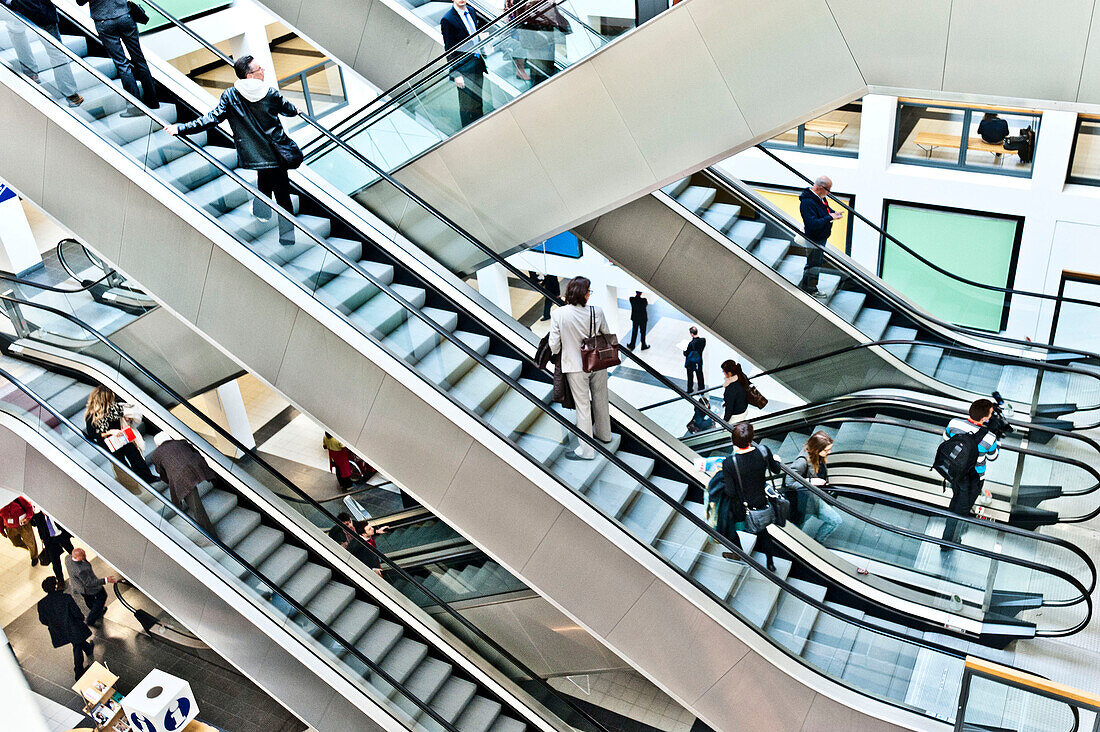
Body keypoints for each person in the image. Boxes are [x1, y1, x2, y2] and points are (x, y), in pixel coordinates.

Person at [166, 55, 301, 247]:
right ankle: (287, 238)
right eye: (259, 69)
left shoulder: (230, 95)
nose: (263, 71)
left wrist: (181, 128)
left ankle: (262, 211)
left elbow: (211, 119)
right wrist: (296, 110)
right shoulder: (270, 93)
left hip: (255, 153)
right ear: (250, 75)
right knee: (282, 194)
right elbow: (287, 109)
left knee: (264, 175)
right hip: (276, 151)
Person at [549, 276, 612, 460]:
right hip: (597, 363)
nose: (589, 295)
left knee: (583, 407)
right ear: (583, 294)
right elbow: (607, 335)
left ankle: (586, 451)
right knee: (601, 399)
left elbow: (554, 345)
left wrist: (563, 349)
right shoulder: (596, 312)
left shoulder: (559, 314)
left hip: (575, 367)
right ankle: (604, 435)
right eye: (588, 292)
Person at [76, 0, 158, 116]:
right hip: (124, 15)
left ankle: (135, 107)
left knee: (122, 64)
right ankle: (153, 101)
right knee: (139, 60)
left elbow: (80, 2)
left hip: (104, 20)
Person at [720, 422, 780, 572]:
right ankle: (770, 563)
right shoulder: (764, 451)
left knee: (728, 528)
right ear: (751, 438)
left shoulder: (729, 463)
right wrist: (777, 460)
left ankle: (738, 554)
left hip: (741, 507)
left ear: (734, 441)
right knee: (763, 533)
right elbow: (776, 470)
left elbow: (731, 492)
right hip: (760, 503)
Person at [0, 0, 83, 107]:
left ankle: (31, 73)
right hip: (42, 11)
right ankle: (71, 95)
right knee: (56, 51)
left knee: (17, 33)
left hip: (18, 9)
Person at [941, 399, 999, 547]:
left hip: (955, 470)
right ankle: (949, 540)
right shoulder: (989, 437)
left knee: (957, 495)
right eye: (990, 414)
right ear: (985, 418)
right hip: (975, 477)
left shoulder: (954, 424)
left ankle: (954, 516)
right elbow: (993, 456)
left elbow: (946, 438)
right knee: (963, 506)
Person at [147, 432, 218, 537]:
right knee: (189, 489)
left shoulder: (156, 455)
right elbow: (195, 452)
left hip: (181, 477)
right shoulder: (181, 442)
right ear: (169, 438)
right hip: (196, 466)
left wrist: (172, 482)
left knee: (195, 506)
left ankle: (211, 535)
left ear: (157, 445)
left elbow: (161, 473)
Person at [84, 386, 156, 484]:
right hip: (108, 443)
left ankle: (148, 478)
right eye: (110, 399)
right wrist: (110, 432)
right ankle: (130, 484)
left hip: (122, 435)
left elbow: (123, 416)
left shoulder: (114, 407)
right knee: (120, 463)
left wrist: (127, 419)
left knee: (135, 455)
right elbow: (92, 434)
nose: (112, 400)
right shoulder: (91, 415)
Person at [787, 432, 842, 543]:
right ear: (817, 449)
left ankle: (813, 541)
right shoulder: (802, 462)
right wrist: (811, 481)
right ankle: (794, 542)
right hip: (806, 501)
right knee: (800, 523)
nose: (829, 452)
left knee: (802, 522)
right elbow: (789, 482)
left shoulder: (817, 456)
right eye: (826, 450)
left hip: (813, 498)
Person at [441, 0, 489, 128]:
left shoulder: (471, 11)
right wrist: (456, 73)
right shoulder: (448, 19)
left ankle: (480, 129)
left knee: (478, 101)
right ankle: (468, 132)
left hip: (477, 63)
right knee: (467, 106)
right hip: (464, 68)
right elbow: (449, 50)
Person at [37, 577, 94, 680]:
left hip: (58, 630)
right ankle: (78, 672)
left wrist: (53, 624)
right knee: (76, 645)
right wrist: (80, 619)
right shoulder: (65, 597)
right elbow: (76, 612)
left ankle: (88, 648)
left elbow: (43, 620)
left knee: (77, 641)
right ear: (55, 586)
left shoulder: (41, 604)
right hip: (72, 626)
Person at [504, 0, 568, 85]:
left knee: (547, 64)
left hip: (545, 29)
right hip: (534, 32)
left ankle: (546, 84)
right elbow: (517, 8)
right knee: (540, 70)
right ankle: (541, 87)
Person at [798, 176, 843, 298]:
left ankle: (806, 286)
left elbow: (824, 211)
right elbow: (812, 223)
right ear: (820, 187)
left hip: (820, 237)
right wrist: (830, 217)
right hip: (814, 238)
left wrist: (833, 213)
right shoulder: (808, 202)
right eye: (828, 189)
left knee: (815, 262)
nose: (829, 193)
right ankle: (810, 289)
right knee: (814, 264)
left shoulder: (820, 198)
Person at [65, 548, 116, 627]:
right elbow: (89, 583)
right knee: (102, 596)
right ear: (77, 557)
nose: (85, 556)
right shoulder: (81, 570)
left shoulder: (68, 559)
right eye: (83, 556)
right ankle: (91, 619)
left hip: (78, 587)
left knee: (89, 600)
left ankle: (94, 610)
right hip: (88, 588)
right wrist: (105, 580)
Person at [34, 510, 74, 582]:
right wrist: (42, 538)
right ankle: (60, 580)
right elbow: (39, 528)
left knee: (72, 552)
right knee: (55, 562)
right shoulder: (38, 517)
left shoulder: (54, 512)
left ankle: (81, 564)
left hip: (61, 535)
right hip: (50, 540)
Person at [1, 495, 39, 566]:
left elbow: (29, 507)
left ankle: (34, 556)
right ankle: (29, 548)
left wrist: (27, 518)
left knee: (30, 542)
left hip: (23, 525)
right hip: (10, 528)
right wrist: (1, 530)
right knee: (16, 543)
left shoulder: (17, 498)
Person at [683, 326, 706, 393]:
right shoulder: (703, 340)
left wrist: (684, 350)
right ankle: (701, 389)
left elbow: (686, 353)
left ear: (692, 334)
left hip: (690, 363)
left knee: (690, 376)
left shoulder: (691, 344)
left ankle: (690, 389)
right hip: (699, 361)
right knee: (700, 375)